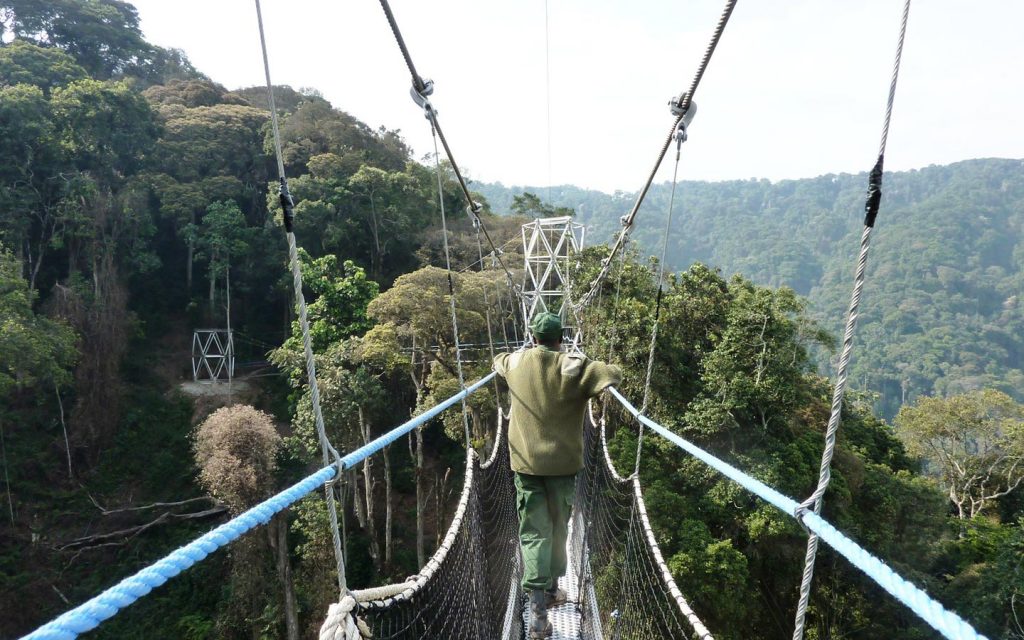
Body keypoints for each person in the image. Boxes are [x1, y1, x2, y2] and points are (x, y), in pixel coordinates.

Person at [493, 311, 622, 639]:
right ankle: (552, 590)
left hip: (526, 465)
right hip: (564, 467)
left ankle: (538, 612)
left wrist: (519, 354)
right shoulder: (575, 367)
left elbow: (499, 360)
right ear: (560, 338)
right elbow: (612, 375)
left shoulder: (516, 363)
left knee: (535, 532)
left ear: (533, 337)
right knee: (560, 526)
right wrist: (581, 359)